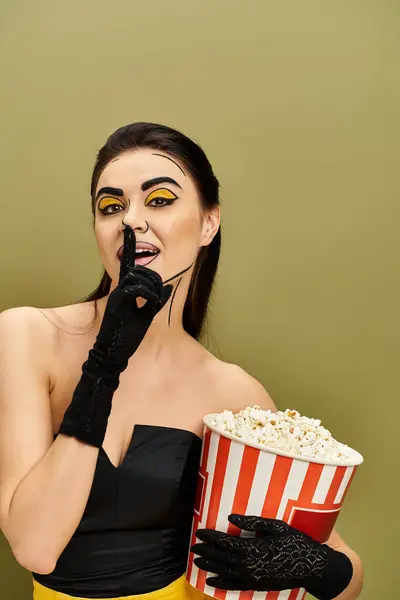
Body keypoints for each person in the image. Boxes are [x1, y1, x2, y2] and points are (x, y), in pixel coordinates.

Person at [0, 123, 363, 600]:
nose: (131, 220)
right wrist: (103, 367)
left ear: (209, 223)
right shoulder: (25, 335)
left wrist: (317, 568)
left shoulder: (232, 392)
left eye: (160, 199)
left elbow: (350, 574)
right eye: (111, 207)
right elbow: (36, 548)